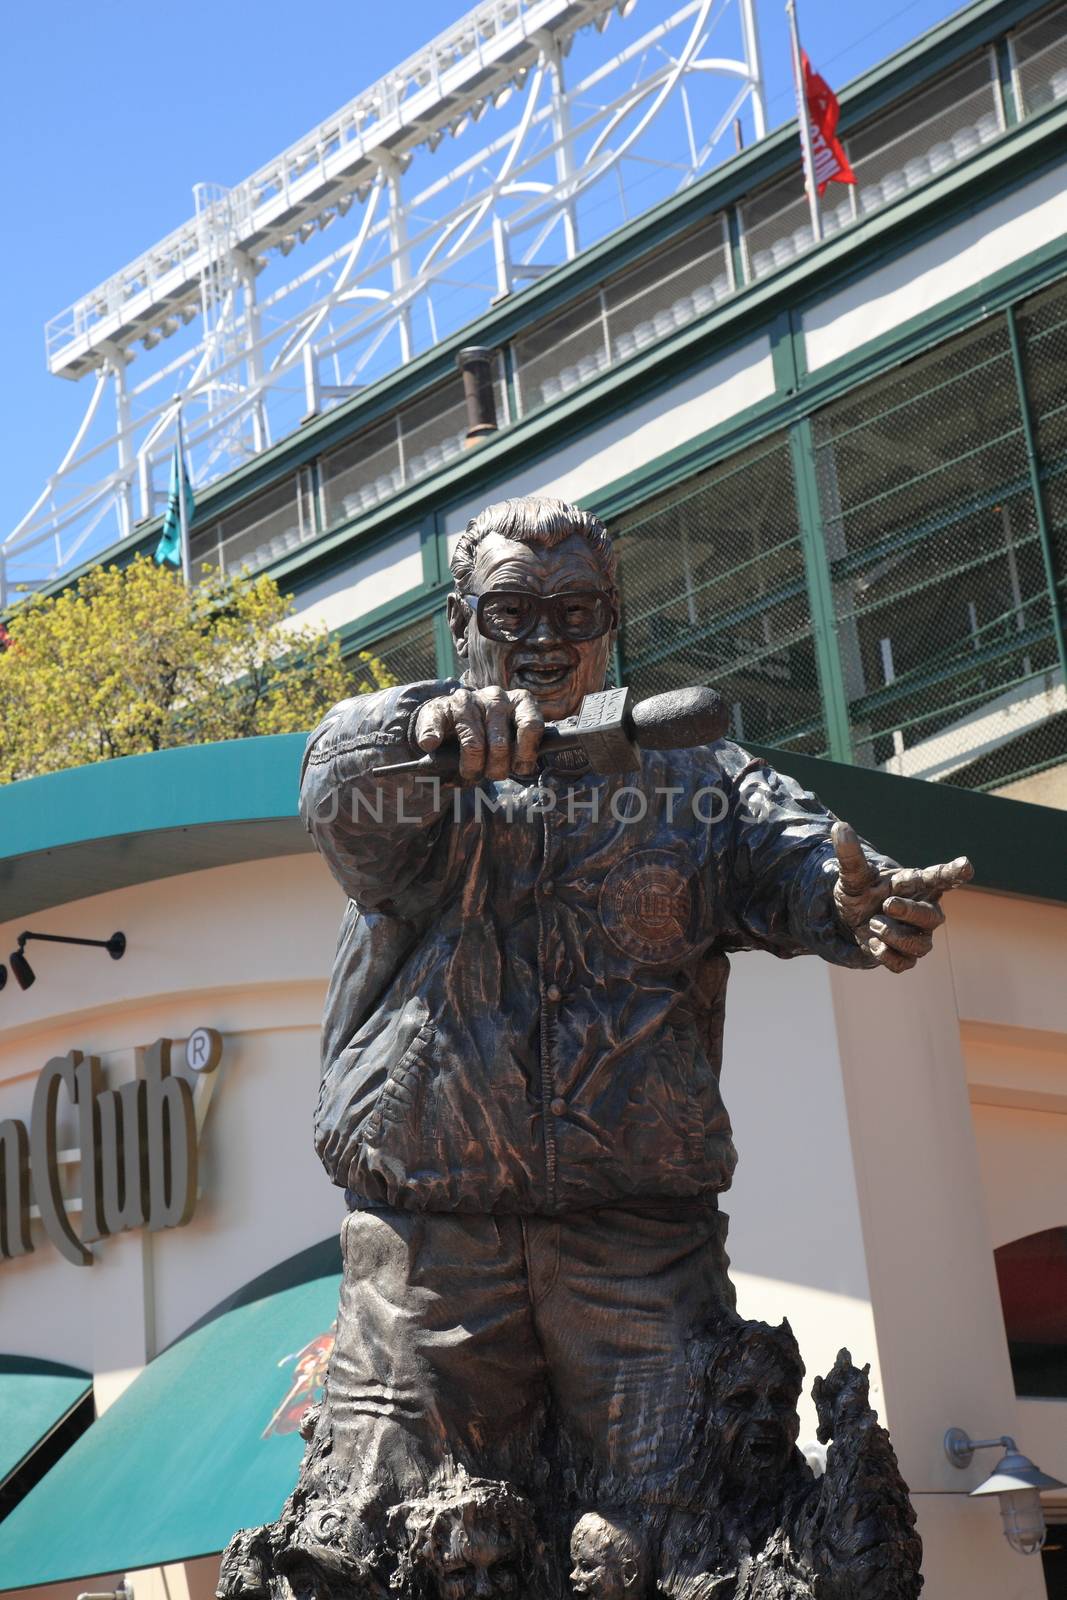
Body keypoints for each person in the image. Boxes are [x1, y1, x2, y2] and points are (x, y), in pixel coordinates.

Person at [295, 495, 971, 1528]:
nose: (542, 640)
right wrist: (419, 725)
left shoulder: (692, 779)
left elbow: (800, 855)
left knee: (688, 1522)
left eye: (574, 613)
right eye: (511, 609)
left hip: (638, 1243)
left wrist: (854, 899)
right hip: (430, 1245)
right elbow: (336, 795)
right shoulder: (414, 764)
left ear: (609, 622)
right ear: (461, 616)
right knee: (392, 1529)